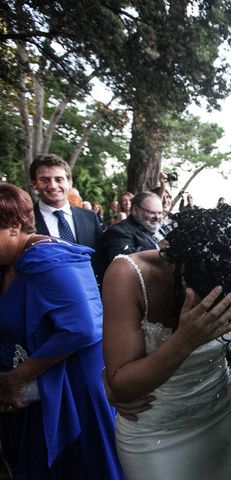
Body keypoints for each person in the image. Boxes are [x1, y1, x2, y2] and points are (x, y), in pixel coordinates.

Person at [101, 206, 231, 479]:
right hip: (153, 432)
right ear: (182, 263)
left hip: (217, 416)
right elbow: (121, 386)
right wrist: (184, 341)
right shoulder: (128, 274)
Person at [0, 183, 123, 479]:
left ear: (15, 226)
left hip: (72, 394)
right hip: (36, 395)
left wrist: (18, 378)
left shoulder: (49, 259)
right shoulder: (14, 262)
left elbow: (83, 327)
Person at [31, 154, 102, 255]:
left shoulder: (90, 218)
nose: (52, 186)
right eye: (45, 180)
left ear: (69, 182)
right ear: (34, 183)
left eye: (59, 179)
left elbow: (100, 258)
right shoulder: (24, 220)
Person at [96, 192, 163, 282]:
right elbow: (122, 260)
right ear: (135, 210)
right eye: (151, 212)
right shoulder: (119, 231)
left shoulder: (158, 230)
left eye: (160, 213)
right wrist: (158, 247)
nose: (157, 217)